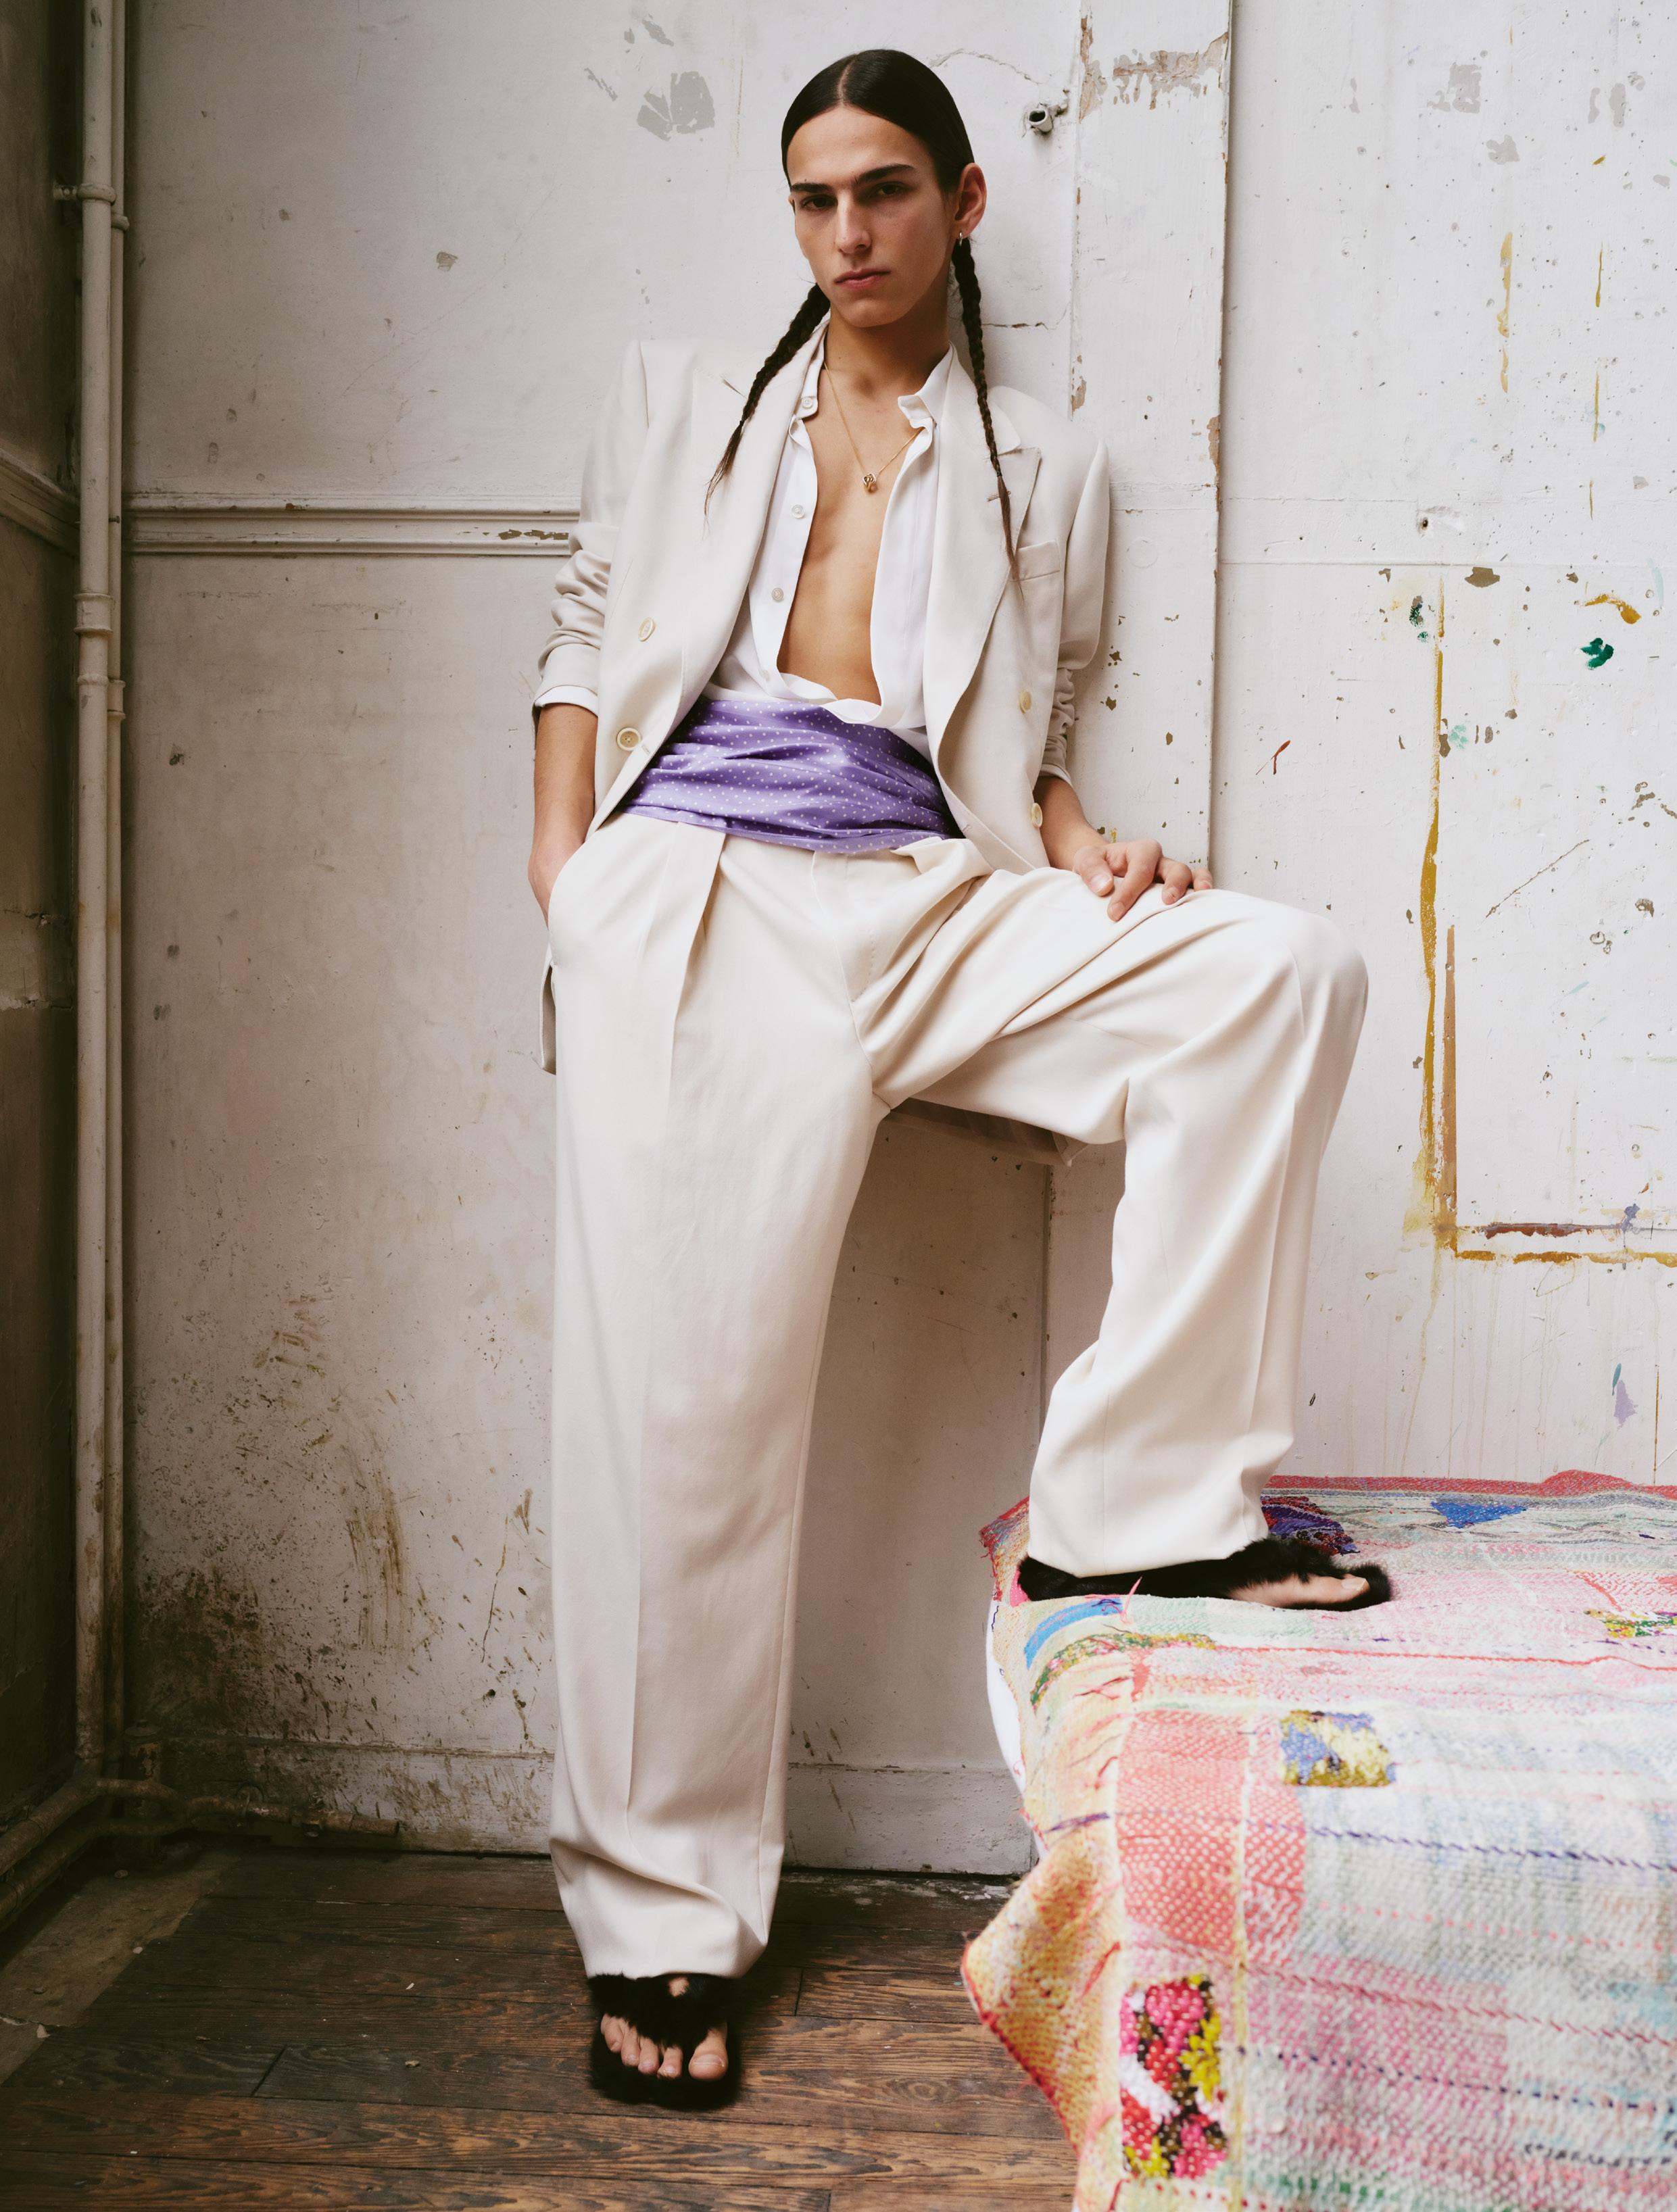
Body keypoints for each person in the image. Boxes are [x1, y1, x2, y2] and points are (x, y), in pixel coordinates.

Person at [527, 48, 1386, 2110]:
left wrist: (1088, 849)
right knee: (683, 1415)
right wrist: (569, 883)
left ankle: (1132, 1509)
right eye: (814, 197)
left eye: (886, 190)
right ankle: (659, 1913)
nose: (847, 233)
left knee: (1274, 971)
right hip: (704, 903)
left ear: (963, 202)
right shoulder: (682, 400)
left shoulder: (1042, 460)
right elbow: (581, 633)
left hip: (931, 892)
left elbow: (1026, 727)